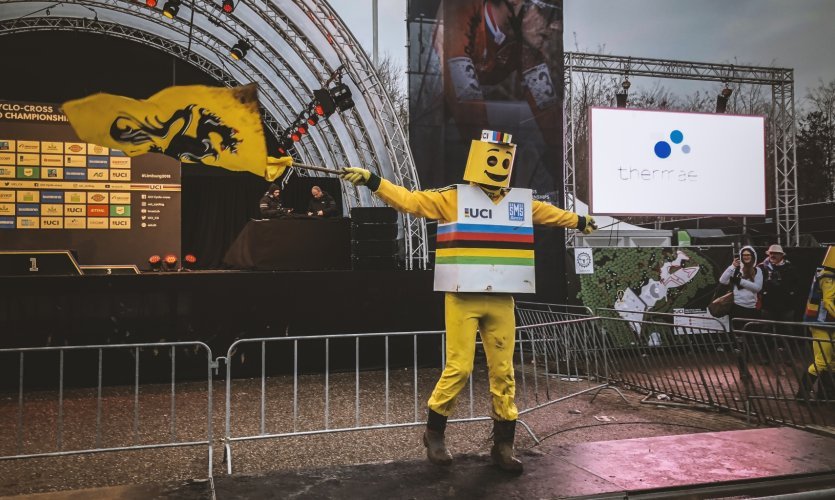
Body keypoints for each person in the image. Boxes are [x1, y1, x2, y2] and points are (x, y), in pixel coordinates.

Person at [341, 130, 596, 472]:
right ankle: (434, 432)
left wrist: (580, 220)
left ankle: (504, 444)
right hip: (462, 297)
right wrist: (375, 181)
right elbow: (410, 201)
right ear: (479, 159)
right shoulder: (453, 198)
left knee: (504, 372)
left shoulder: (518, 202)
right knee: (458, 368)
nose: (499, 165)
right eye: (492, 158)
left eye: (504, 160)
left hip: (501, 298)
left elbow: (549, 213)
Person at [796, 246, 835, 403]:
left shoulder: (826, 275)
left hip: (827, 323)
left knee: (831, 361)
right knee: (821, 360)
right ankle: (802, 394)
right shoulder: (828, 278)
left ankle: (827, 394)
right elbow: (828, 302)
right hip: (821, 324)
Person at [758, 244, 800, 324]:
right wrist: (763, 292)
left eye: (776, 253)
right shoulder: (761, 267)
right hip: (768, 305)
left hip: (786, 306)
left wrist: (791, 293)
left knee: (787, 329)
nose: (773, 255)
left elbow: (796, 284)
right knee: (767, 329)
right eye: (771, 253)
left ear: (781, 255)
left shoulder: (790, 267)